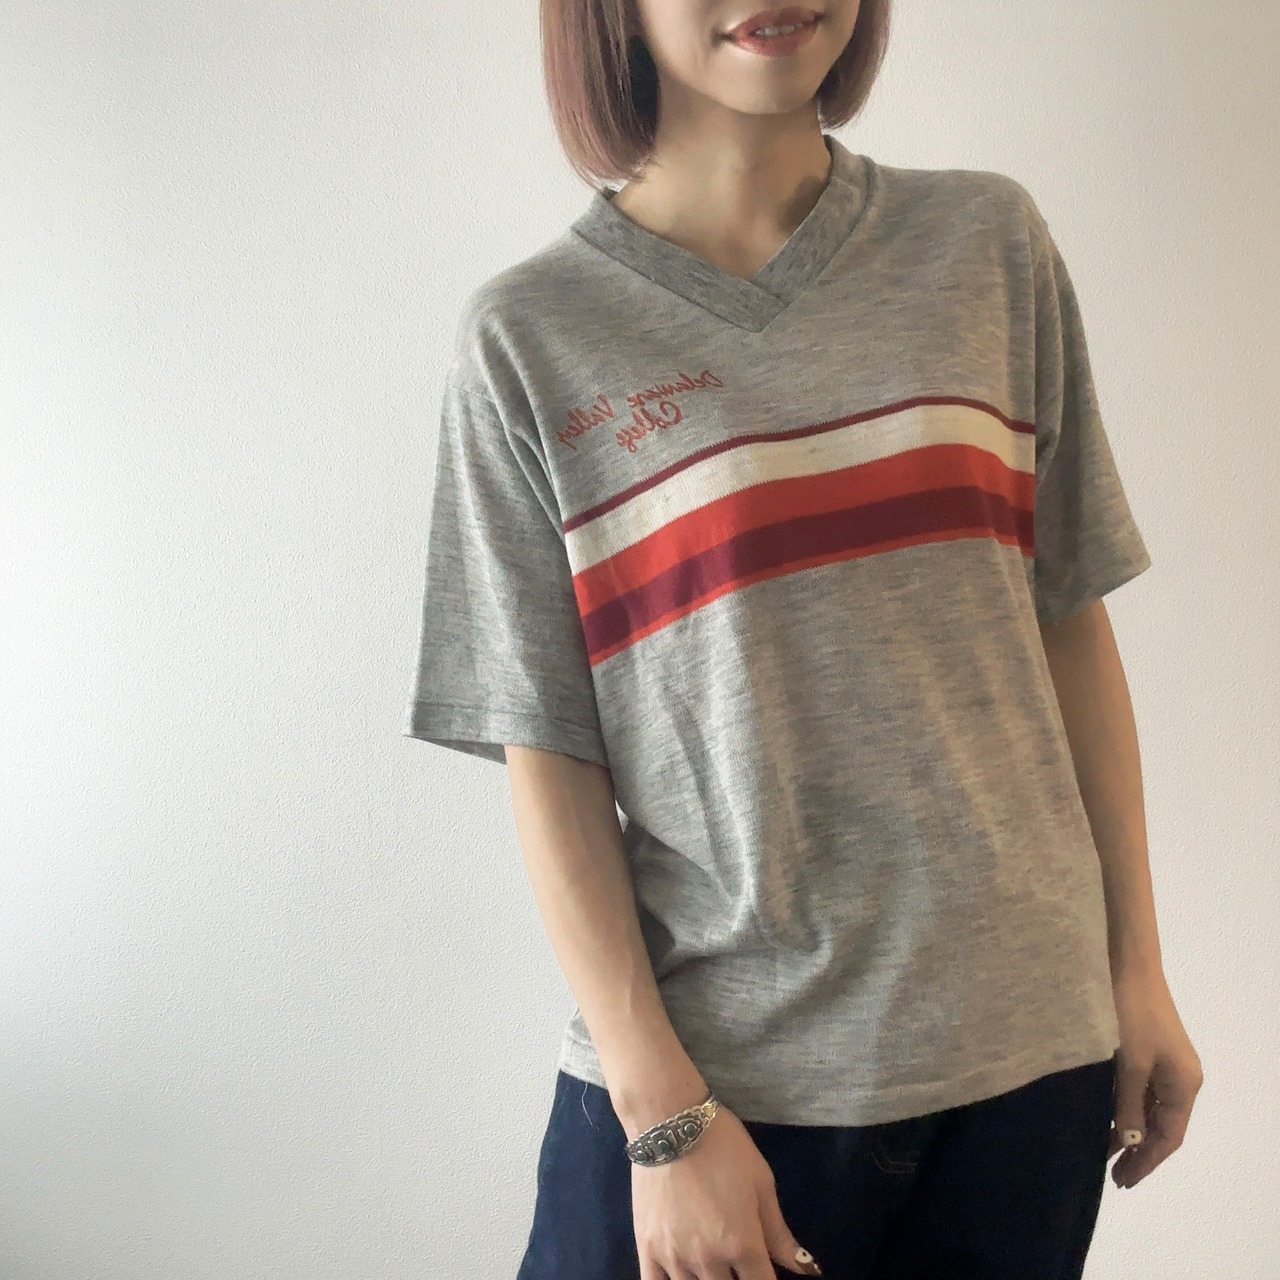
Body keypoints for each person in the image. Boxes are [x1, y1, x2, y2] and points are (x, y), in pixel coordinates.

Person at [402, 0, 1205, 1276]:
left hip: (1026, 1070)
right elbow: (549, 758)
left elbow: (1063, 624)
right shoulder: (533, 334)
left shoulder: (985, 244)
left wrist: (1136, 965)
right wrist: (663, 1116)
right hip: (721, 1090)